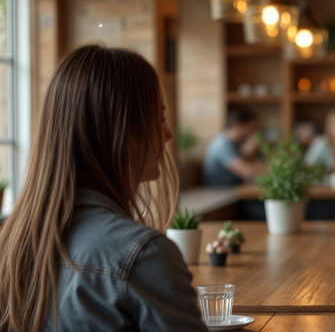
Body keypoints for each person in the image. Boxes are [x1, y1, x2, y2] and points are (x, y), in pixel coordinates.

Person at [0, 45, 206, 331]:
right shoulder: (144, 255)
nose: (169, 134)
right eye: (159, 118)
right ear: (121, 133)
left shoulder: (12, 245)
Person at [202, 107, 265, 187]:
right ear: (237, 125)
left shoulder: (232, 144)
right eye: (251, 128)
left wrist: (249, 154)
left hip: (229, 191)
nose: (252, 134)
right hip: (220, 193)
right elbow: (247, 171)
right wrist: (275, 169)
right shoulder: (222, 145)